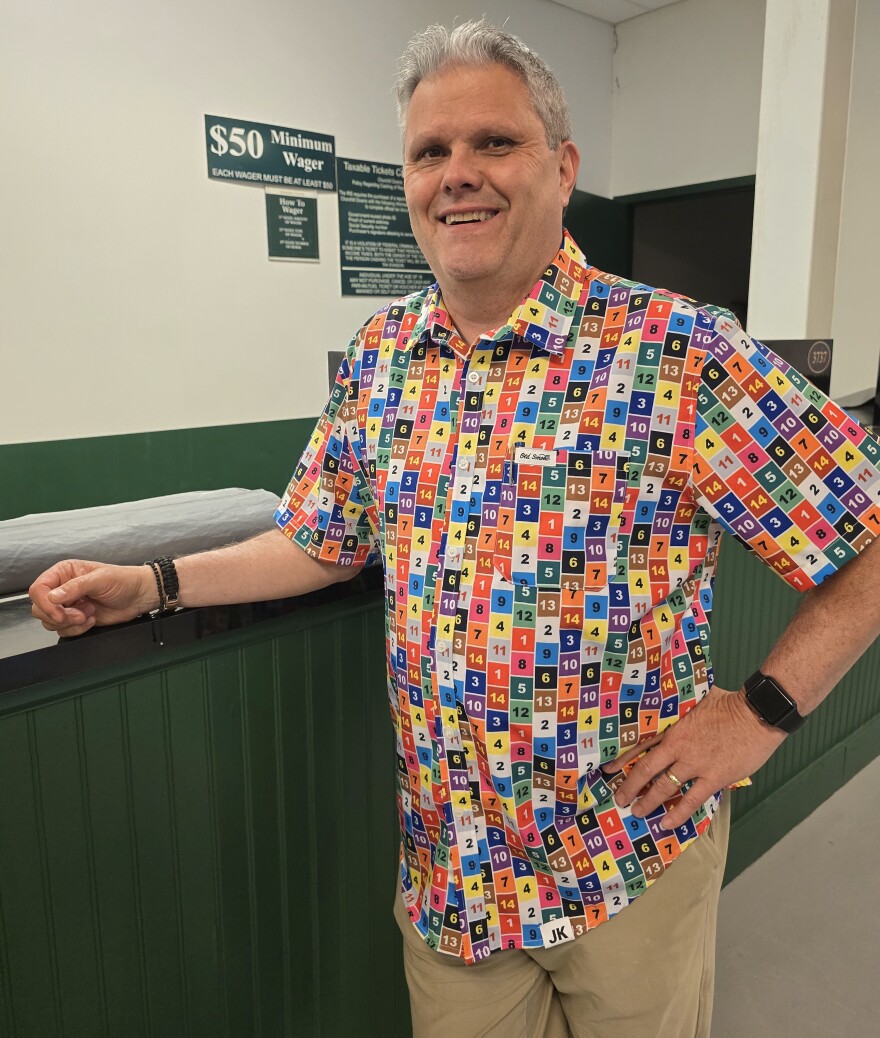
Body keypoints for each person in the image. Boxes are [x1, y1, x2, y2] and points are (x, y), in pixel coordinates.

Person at [29, 20, 880, 1038]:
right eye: (430, 151)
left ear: (561, 169)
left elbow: (868, 534)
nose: (457, 174)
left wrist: (759, 715)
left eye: (494, 142)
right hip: (452, 874)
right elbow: (318, 537)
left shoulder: (677, 352)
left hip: (624, 855)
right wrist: (152, 585)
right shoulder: (383, 356)